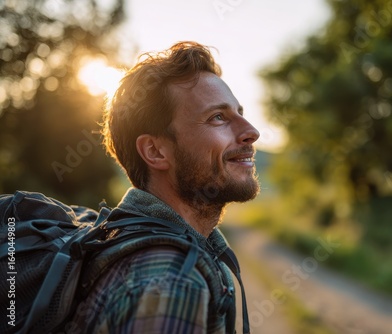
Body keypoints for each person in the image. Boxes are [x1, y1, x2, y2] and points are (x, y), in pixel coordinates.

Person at [69, 41, 260, 333]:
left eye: (239, 112)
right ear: (156, 152)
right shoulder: (172, 282)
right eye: (218, 117)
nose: (251, 132)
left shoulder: (123, 236)